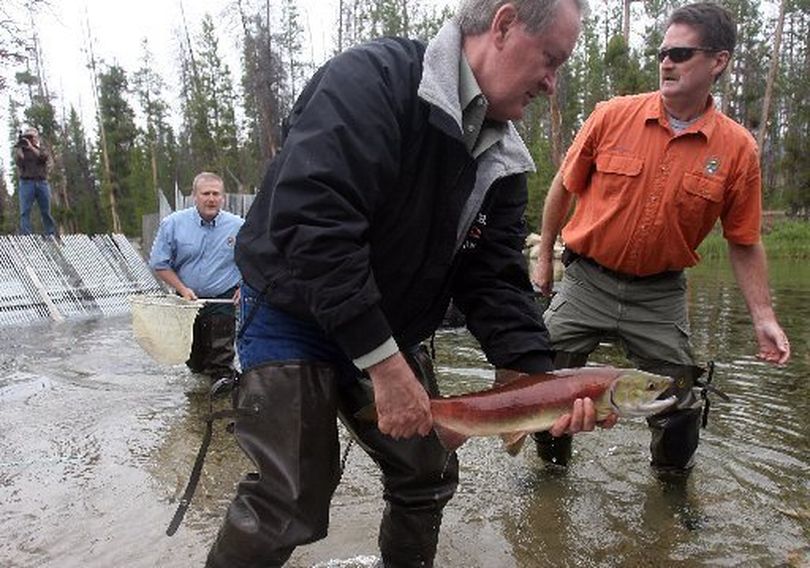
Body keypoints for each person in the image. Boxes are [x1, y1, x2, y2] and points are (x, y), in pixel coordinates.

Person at [205, 1, 611, 566]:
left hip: (392, 325)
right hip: (292, 313)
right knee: (290, 495)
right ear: (504, 24)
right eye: (551, 60)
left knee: (427, 473)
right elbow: (313, 225)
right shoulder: (372, 82)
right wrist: (385, 366)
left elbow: (493, 278)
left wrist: (542, 385)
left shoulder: (503, 158)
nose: (551, 82)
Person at [532, 2, 791, 474]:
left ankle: (672, 493)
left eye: (680, 52)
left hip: (660, 294)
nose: (666, 62)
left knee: (681, 401)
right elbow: (563, 187)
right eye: (662, 51)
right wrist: (545, 255)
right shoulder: (611, 116)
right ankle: (551, 474)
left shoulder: (737, 150)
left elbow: (744, 240)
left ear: (718, 61)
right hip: (586, 281)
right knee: (541, 379)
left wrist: (764, 316)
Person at [148, 172, 243, 380]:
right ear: (194, 196)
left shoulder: (238, 226)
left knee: (221, 356)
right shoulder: (173, 224)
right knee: (195, 361)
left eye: (216, 194)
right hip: (187, 300)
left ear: (223, 197)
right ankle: (198, 404)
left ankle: (223, 401)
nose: (211, 199)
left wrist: (243, 287)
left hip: (222, 298)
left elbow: (254, 261)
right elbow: (159, 263)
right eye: (206, 193)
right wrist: (182, 289)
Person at [14, 126, 57, 236]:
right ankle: (26, 235)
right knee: (25, 211)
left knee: (46, 211)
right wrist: (19, 148)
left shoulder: (41, 148)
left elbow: (44, 157)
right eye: (27, 135)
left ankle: (50, 234)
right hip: (26, 183)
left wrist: (32, 147)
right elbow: (19, 162)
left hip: (42, 182)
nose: (29, 138)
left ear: (36, 136)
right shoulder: (23, 149)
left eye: (31, 136)